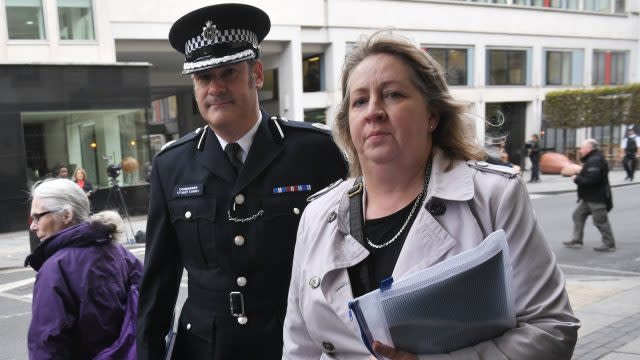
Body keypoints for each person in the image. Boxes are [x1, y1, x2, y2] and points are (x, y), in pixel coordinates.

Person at [282, 31, 578, 359]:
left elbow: (552, 328)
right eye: (360, 100)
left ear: (432, 115)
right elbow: (299, 343)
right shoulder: (318, 214)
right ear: (347, 122)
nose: (374, 111)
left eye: (393, 95)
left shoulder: (494, 197)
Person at [137, 4, 348, 360]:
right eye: (204, 78)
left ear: (257, 74)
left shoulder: (314, 152)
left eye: (229, 73)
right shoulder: (172, 165)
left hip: (293, 345)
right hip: (205, 349)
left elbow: (348, 259)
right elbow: (158, 282)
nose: (215, 88)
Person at [25, 178, 142, 359]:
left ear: (66, 216)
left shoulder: (55, 269)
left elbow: (47, 345)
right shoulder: (118, 251)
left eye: (37, 217)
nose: (33, 226)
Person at [563, 139, 616, 252]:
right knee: (578, 215)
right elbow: (590, 176)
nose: (580, 150)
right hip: (589, 197)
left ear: (589, 148)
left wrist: (576, 178)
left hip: (596, 197)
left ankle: (609, 244)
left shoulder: (595, 160)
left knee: (600, 221)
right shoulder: (593, 159)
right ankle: (577, 240)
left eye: (582, 148)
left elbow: (593, 179)